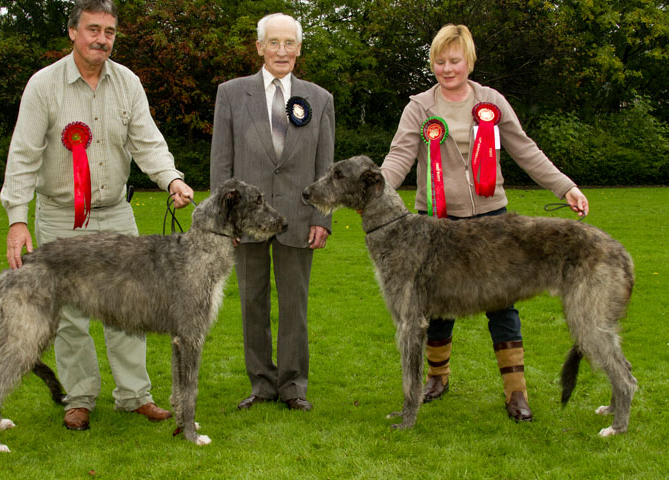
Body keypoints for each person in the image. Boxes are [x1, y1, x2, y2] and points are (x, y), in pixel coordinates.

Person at [0, 0, 195, 431]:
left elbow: (148, 141)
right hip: (60, 218)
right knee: (70, 314)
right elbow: (24, 155)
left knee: (131, 307)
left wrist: (172, 179)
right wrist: (17, 216)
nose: (101, 38)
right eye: (93, 29)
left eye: (109, 31)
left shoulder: (128, 83)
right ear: (72, 32)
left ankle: (134, 395)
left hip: (117, 215)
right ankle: (80, 397)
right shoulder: (43, 86)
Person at [380, 24, 589, 422]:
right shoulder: (419, 107)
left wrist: (566, 188)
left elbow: (525, 149)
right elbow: (398, 157)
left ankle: (516, 393)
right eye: (439, 61)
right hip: (435, 222)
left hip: (492, 222)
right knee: (434, 307)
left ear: (469, 60)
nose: (447, 68)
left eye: (454, 61)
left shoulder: (490, 102)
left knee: (502, 305)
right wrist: (376, 195)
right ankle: (437, 380)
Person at [210, 13, 335, 412]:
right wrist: (221, 221)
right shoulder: (231, 94)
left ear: (299, 48)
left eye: (290, 43)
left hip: (300, 218)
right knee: (252, 303)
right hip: (246, 222)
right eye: (274, 43)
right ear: (260, 47)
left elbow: (325, 167)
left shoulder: (320, 99)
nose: (282, 51)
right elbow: (221, 163)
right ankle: (261, 383)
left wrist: (322, 217)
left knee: (295, 306)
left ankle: (293, 385)